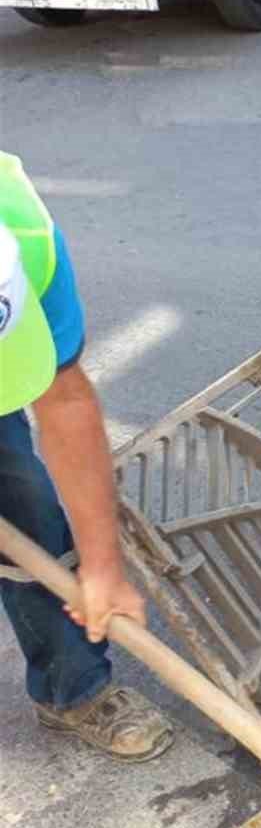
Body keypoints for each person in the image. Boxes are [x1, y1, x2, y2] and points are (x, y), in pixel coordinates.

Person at [0, 151, 173, 761]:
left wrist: (103, 567)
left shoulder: (21, 229)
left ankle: (74, 688)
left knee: (25, 504)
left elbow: (65, 402)